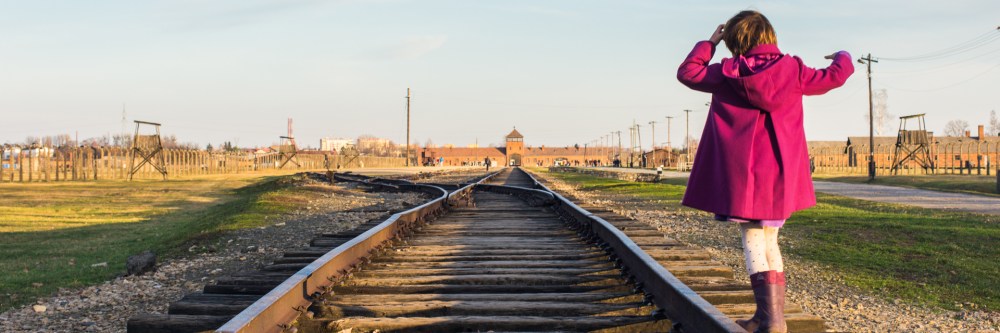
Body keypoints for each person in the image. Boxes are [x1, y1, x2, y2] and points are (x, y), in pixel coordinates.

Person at [676, 10, 853, 333]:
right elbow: (835, 76)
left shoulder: (727, 73)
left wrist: (709, 44)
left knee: (754, 241)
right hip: (781, 176)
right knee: (770, 241)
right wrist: (843, 56)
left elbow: (688, 73)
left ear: (735, 41)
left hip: (742, 179)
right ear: (769, 36)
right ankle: (771, 316)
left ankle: (770, 318)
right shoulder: (794, 70)